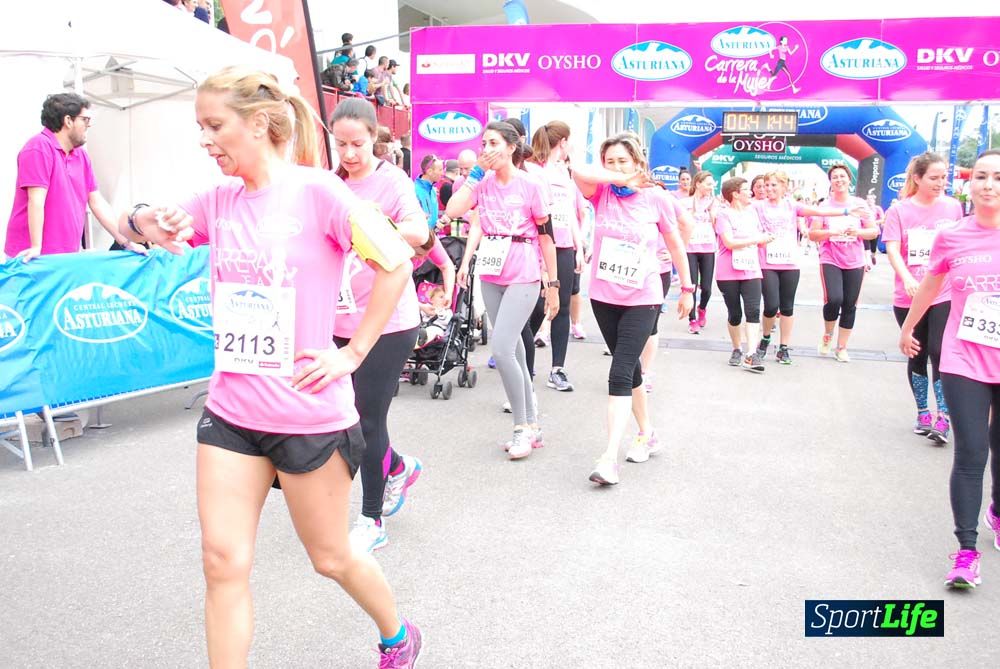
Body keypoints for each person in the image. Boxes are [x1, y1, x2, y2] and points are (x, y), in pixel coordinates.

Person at [117, 67, 423, 667]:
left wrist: (352, 352)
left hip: (308, 414)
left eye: (214, 125)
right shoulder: (217, 199)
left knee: (330, 557)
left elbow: (396, 264)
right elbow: (143, 227)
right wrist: (143, 217)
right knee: (221, 562)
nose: (204, 140)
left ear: (258, 124)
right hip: (232, 412)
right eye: (200, 127)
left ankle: (397, 632)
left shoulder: (321, 193)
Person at [329, 99, 432, 555]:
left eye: (357, 143)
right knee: (339, 418)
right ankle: (395, 467)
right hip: (337, 315)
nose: (349, 153)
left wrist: (376, 222)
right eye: (341, 144)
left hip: (389, 320)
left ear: (375, 138)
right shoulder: (330, 183)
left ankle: (371, 519)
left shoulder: (391, 181)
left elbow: (418, 229)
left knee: (366, 418)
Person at [899, 149, 1000, 590]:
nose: (988, 185)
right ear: (969, 184)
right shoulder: (953, 236)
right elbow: (931, 285)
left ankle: (996, 510)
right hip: (964, 358)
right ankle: (966, 550)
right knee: (972, 452)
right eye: (980, 176)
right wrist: (908, 326)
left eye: (997, 177)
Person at [571, 133, 693, 485]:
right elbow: (577, 168)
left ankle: (609, 458)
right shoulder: (601, 193)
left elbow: (675, 244)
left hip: (644, 296)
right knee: (631, 371)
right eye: (610, 161)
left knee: (620, 372)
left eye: (624, 161)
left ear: (639, 163)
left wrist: (687, 288)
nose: (616, 167)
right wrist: (615, 176)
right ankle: (647, 433)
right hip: (604, 295)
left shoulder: (656, 198)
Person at [447, 121, 559, 460]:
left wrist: (552, 284)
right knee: (516, 352)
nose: (486, 149)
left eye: (493, 143)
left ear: (511, 147)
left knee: (503, 347)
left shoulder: (531, 185)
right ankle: (533, 424)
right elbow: (453, 211)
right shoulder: (482, 184)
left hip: (523, 269)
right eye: (483, 143)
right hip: (491, 270)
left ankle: (522, 427)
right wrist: (475, 174)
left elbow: (546, 236)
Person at [883, 152, 964, 443]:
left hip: (943, 292)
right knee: (916, 352)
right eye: (933, 177)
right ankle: (922, 412)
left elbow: (959, 245)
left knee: (940, 352)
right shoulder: (899, 211)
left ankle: (944, 417)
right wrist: (906, 278)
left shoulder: (953, 208)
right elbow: (892, 249)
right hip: (909, 295)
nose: (940, 183)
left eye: (943, 177)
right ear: (917, 178)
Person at [4, 93, 143, 261]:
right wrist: (35, 247)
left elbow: (97, 202)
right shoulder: (39, 147)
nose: (88, 125)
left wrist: (125, 242)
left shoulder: (81, 156)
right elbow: (36, 200)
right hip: (32, 257)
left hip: (66, 255)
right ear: (68, 120)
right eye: (85, 119)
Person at [754, 171, 853, 364]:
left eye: (774, 185)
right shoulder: (758, 206)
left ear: (784, 187)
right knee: (771, 306)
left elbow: (819, 212)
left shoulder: (792, 205)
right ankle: (765, 339)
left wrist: (846, 212)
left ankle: (783, 347)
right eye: (767, 185)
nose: (769, 189)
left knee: (787, 307)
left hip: (790, 263)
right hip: (768, 263)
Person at [528, 121, 588, 392]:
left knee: (562, 307)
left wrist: (578, 245)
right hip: (538, 246)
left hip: (564, 247)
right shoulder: (533, 171)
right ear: (562, 142)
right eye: (569, 142)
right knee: (535, 309)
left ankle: (557, 369)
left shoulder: (566, 174)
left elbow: (571, 214)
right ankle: (525, 373)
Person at [808, 164, 878, 362]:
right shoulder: (824, 207)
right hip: (830, 258)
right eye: (835, 177)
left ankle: (841, 347)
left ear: (849, 180)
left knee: (850, 303)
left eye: (842, 176)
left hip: (854, 260)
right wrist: (830, 232)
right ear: (830, 182)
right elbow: (813, 234)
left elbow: (873, 231)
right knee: (834, 298)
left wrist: (858, 232)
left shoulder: (860, 204)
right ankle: (828, 334)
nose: (839, 180)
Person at [715, 178, 770, 372]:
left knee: (753, 311)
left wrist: (764, 240)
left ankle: (751, 354)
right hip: (727, 271)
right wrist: (755, 239)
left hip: (751, 269)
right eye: (746, 189)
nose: (751, 193)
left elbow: (759, 237)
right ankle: (737, 348)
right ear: (735, 194)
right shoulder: (723, 215)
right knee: (735, 314)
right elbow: (729, 242)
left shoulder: (752, 212)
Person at [680, 171, 719, 334]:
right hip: (689, 248)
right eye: (708, 184)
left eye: (712, 184)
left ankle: (702, 308)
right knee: (692, 285)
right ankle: (692, 319)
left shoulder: (713, 202)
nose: (711, 187)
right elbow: (681, 223)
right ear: (698, 184)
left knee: (707, 288)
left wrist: (711, 210)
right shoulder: (684, 202)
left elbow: (716, 223)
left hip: (708, 247)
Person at [414, 155, 441, 228]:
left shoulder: (433, 190)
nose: (442, 173)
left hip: (432, 235)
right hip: (421, 236)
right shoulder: (414, 190)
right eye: (440, 170)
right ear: (429, 171)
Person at [866, 191, 885, 265]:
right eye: (868, 199)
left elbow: (883, 219)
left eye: (871, 199)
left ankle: (872, 256)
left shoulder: (877, 208)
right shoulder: (864, 208)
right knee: (866, 248)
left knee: (873, 248)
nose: (869, 201)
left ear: (874, 200)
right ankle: (866, 263)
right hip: (866, 231)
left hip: (875, 231)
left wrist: (875, 222)